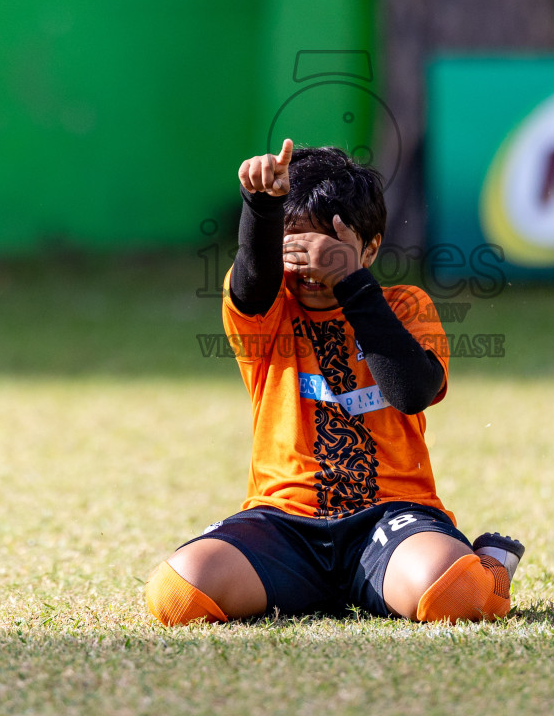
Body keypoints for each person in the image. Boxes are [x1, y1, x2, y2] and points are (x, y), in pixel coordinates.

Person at [144, 139, 523, 626]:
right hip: (284, 523)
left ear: (371, 247)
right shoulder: (268, 312)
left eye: (329, 247)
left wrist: (350, 280)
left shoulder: (405, 305)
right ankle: (307, 586)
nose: (311, 264)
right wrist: (261, 206)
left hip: (391, 517)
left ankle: (492, 564)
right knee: (178, 595)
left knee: (457, 596)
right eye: (297, 246)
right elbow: (253, 280)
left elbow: (411, 392)